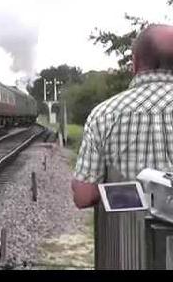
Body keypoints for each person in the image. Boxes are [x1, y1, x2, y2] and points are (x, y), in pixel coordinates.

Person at [72, 24, 173, 208]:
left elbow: (84, 196)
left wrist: (134, 196)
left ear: (134, 63)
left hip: (127, 235)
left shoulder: (104, 115)